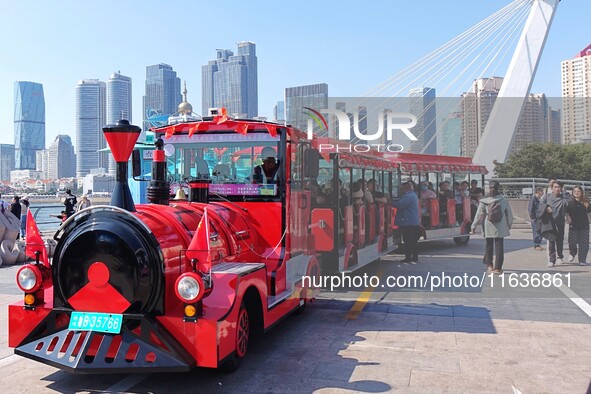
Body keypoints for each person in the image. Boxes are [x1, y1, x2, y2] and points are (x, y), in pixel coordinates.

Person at [471, 180, 513, 274]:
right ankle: (498, 268)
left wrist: (473, 226)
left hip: (488, 225)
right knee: (499, 247)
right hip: (500, 226)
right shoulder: (503, 199)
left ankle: (489, 265)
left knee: (488, 246)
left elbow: (478, 214)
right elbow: (509, 215)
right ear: (498, 188)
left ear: (489, 188)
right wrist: (509, 225)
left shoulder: (484, 200)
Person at [537, 181, 568, 267]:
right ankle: (551, 260)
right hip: (550, 222)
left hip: (560, 222)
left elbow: (568, 202)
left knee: (559, 240)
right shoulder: (547, 197)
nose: (557, 189)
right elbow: (540, 205)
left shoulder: (564, 197)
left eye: (559, 187)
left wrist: (564, 191)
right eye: (555, 187)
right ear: (552, 188)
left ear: (561, 188)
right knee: (551, 241)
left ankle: (560, 256)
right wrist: (546, 207)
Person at [392, 181, 420, 263]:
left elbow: (400, 204)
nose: (400, 190)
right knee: (414, 241)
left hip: (408, 223)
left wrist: (390, 202)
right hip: (413, 222)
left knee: (408, 241)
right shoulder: (413, 195)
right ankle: (414, 257)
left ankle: (408, 258)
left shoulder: (409, 196)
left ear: (405, 188)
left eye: (401, 188)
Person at [565, 186, 591, 266]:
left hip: (584, 225)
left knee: (584, 244)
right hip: (573, 225)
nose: (576, 192)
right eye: (575, 191)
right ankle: (572, 253)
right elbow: (566, 212)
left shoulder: (586, 203)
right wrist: (568, 218)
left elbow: (589, 213)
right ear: (572, 192)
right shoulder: (570, 202)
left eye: (578, 191)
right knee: (572, 242)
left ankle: (582, 260)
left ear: (581, 192)